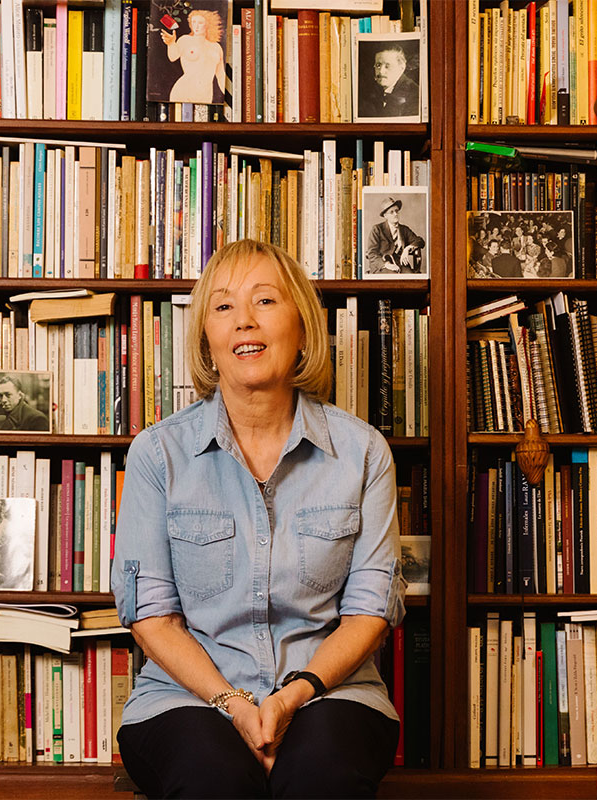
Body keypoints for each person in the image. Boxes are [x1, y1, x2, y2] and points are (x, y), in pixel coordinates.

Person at [113, 239, 406, 798]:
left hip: (328, 692)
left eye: (265, 301)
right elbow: (154, 618)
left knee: (320, 777)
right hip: (188, 697)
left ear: (303, 327)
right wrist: (233, 704)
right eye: (223, 306)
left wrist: (290, 699)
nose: (243, 320)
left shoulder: (363, 452)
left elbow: (368, 613)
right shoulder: (158, 454)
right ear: (207, 337)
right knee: (214, 782)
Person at [160, 9, 226, 105]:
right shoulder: (185, 40)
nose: (196, 26)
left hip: (205, 94)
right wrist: (171, 43)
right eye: (194, 22)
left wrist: (231, 98)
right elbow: (172, 57)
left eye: (200, 23)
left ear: (208, 25)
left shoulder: (216, 47)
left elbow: (220, 75)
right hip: (184, 90)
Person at [364, 196, 425, 275]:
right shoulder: (377, 229)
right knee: (392, 277)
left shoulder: (404, 229)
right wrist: (386, 264)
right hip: (382, 266)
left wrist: (407, 249)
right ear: (385, 216)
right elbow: (372, 253)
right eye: (392, 212)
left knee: (410, 277)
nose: (395, 214)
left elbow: (420, 241)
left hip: (400, 264)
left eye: (396, 211)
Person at [358, 44, 419, 118]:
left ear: (402, 68)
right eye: (378, 65)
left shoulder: (415, 95)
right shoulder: (372, 90)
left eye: (387, 66)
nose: (381, 71)